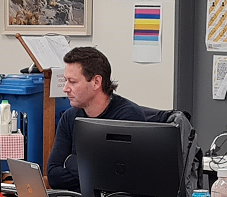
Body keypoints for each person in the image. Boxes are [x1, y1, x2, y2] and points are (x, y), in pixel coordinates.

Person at [46, 46, 151, 189]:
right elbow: (53, 176)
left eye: (73, 81)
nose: (65, 88)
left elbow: (118, 179)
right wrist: (95, 171)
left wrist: (70, 161)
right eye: (65, 81)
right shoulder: (69, 117)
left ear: (96, 82)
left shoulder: (128, 117)